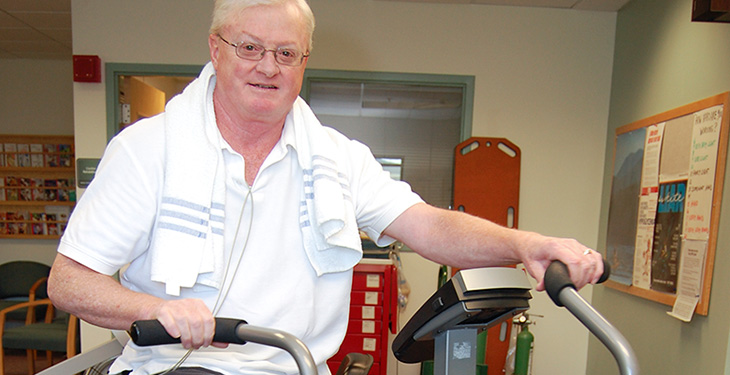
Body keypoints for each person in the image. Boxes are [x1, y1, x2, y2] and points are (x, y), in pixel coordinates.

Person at [47, 0, 604, 374]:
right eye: (250, 48)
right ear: (215, 49)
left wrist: (524, 244)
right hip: (177, 368)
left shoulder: (336, 159)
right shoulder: (149, 151)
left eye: (286, 53)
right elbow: (69, 283)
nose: (268, 66)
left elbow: (427, 224)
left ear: (304, 61)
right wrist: (154, 309)